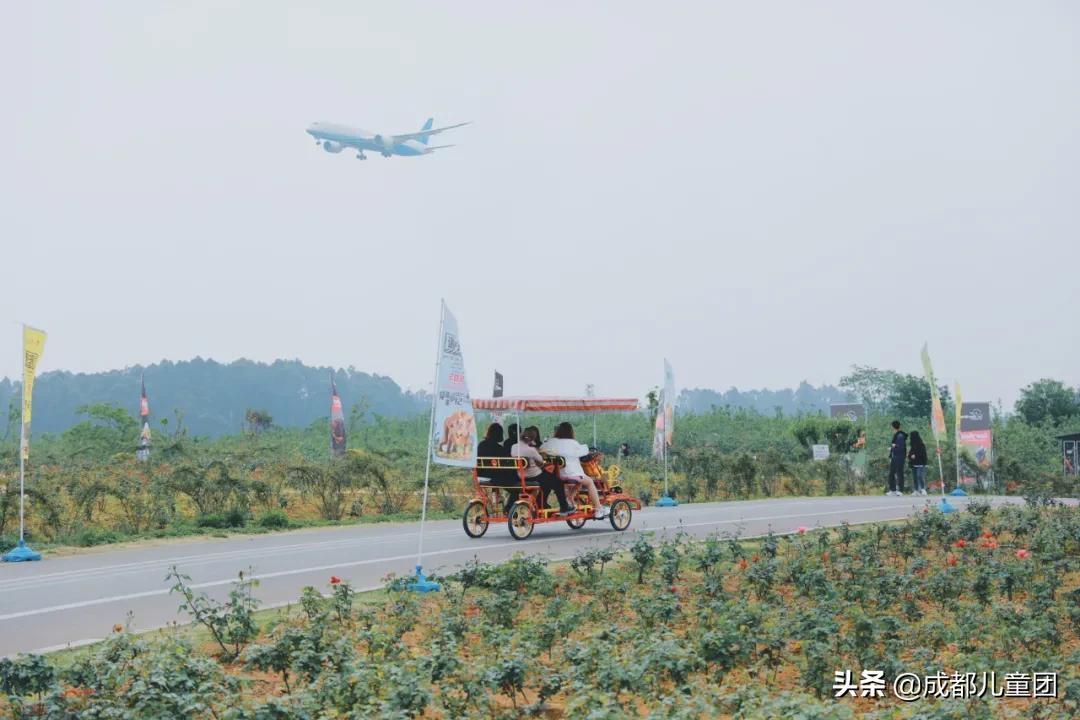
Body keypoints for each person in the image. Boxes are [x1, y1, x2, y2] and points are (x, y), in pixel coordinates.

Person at [541, 422, 607, 519]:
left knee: (577, 482)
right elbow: (584, 451)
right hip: (573, 474)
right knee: (589, 482)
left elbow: (541, 449)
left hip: (560, 475)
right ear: (571, 432)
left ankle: (569, 500)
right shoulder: (573, 443)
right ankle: (598, 508)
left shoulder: (552, 442)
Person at [512, 426, 573, 516]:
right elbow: (541, 462)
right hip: (535, 475)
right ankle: (564, 507)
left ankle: (541, 503)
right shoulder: (531, 450)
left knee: (548, 482)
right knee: (558, 482)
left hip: (521, 475)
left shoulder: (513, 447)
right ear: (532, 439)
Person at [477, 423, 517, 511]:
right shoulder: (499, 448)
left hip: (481, 475)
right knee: (517, 488)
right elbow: (508, 461)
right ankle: (508, 509)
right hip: (495, 478)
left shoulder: (481, 445)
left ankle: (498, 499)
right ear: (498, 434)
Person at [887, 420, 907, 496]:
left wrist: (893, 447)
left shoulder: (900, 436)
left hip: (899, 456)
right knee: (891, 473)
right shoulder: (897, 435)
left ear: (893, 426)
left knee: (899, 473)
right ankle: (893, 490)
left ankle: (900, 490)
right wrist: (892, 448)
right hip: (894, 456)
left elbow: (900, 447)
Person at [908, 431, 928, 496]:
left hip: (920, 463)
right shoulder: (912, 445)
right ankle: (916, 490)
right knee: (914, 477)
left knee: (919, 476)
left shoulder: (921, 445)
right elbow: (910, 454)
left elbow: (923, 454)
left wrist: (916, 456)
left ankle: (923, 489)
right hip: (914, 464)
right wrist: (910, 456)